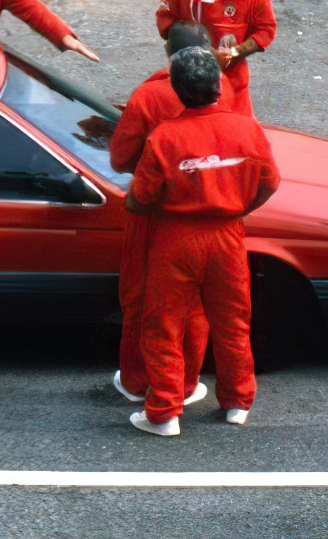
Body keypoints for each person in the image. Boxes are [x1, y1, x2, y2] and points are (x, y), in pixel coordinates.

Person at [126, 47, 279, 436]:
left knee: (163, 325)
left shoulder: (164, 137)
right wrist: (238, 206)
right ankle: (237, 402)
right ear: (216, 86)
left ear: (178, 90)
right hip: (228, 236)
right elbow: (270, 183)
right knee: (232, 322)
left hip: (176, 239)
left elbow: (139, 200)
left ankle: (164, 412)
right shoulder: (247, 129)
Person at [107, 22, 240, 408]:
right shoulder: (224, 87)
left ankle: (138, 382)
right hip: (212, 210)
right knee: (196, 306)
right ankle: (186, 382)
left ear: (169, 53)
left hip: (155, 212)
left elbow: (119, 158)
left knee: (143, 299)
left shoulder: (148, 96)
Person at [155, 0, 277, 117]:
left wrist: (233, 53)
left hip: (233, 83)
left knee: (235, 140)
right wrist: (201, 53)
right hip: (185, 84)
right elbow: (166, 20)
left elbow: (266, 30)